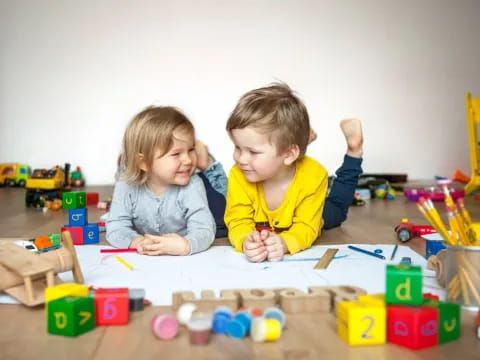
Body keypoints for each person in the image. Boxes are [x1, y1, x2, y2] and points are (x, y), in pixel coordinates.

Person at [224, 82, 363, 262]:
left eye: (253, 152)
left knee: (336, 209)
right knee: (280, 151)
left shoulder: (314, 175)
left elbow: (306, 226)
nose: (241, 159)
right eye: (237, 147)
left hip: (313, 212)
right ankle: (302, 137)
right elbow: (237, 220)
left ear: (290, 154)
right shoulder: (239, 173)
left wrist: (285, 243)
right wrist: (245, 240)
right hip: (287, 163)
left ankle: (354, 151)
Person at [106, 106, 217, 255]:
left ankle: (209, 162)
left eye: (191, 150)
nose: (188, 160)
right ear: (143, 162)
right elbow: (116, 226)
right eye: (176, 153)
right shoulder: (126, 184)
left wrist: (186, 245)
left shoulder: (193, 184)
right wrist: (136, 241)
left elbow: (205, 229)